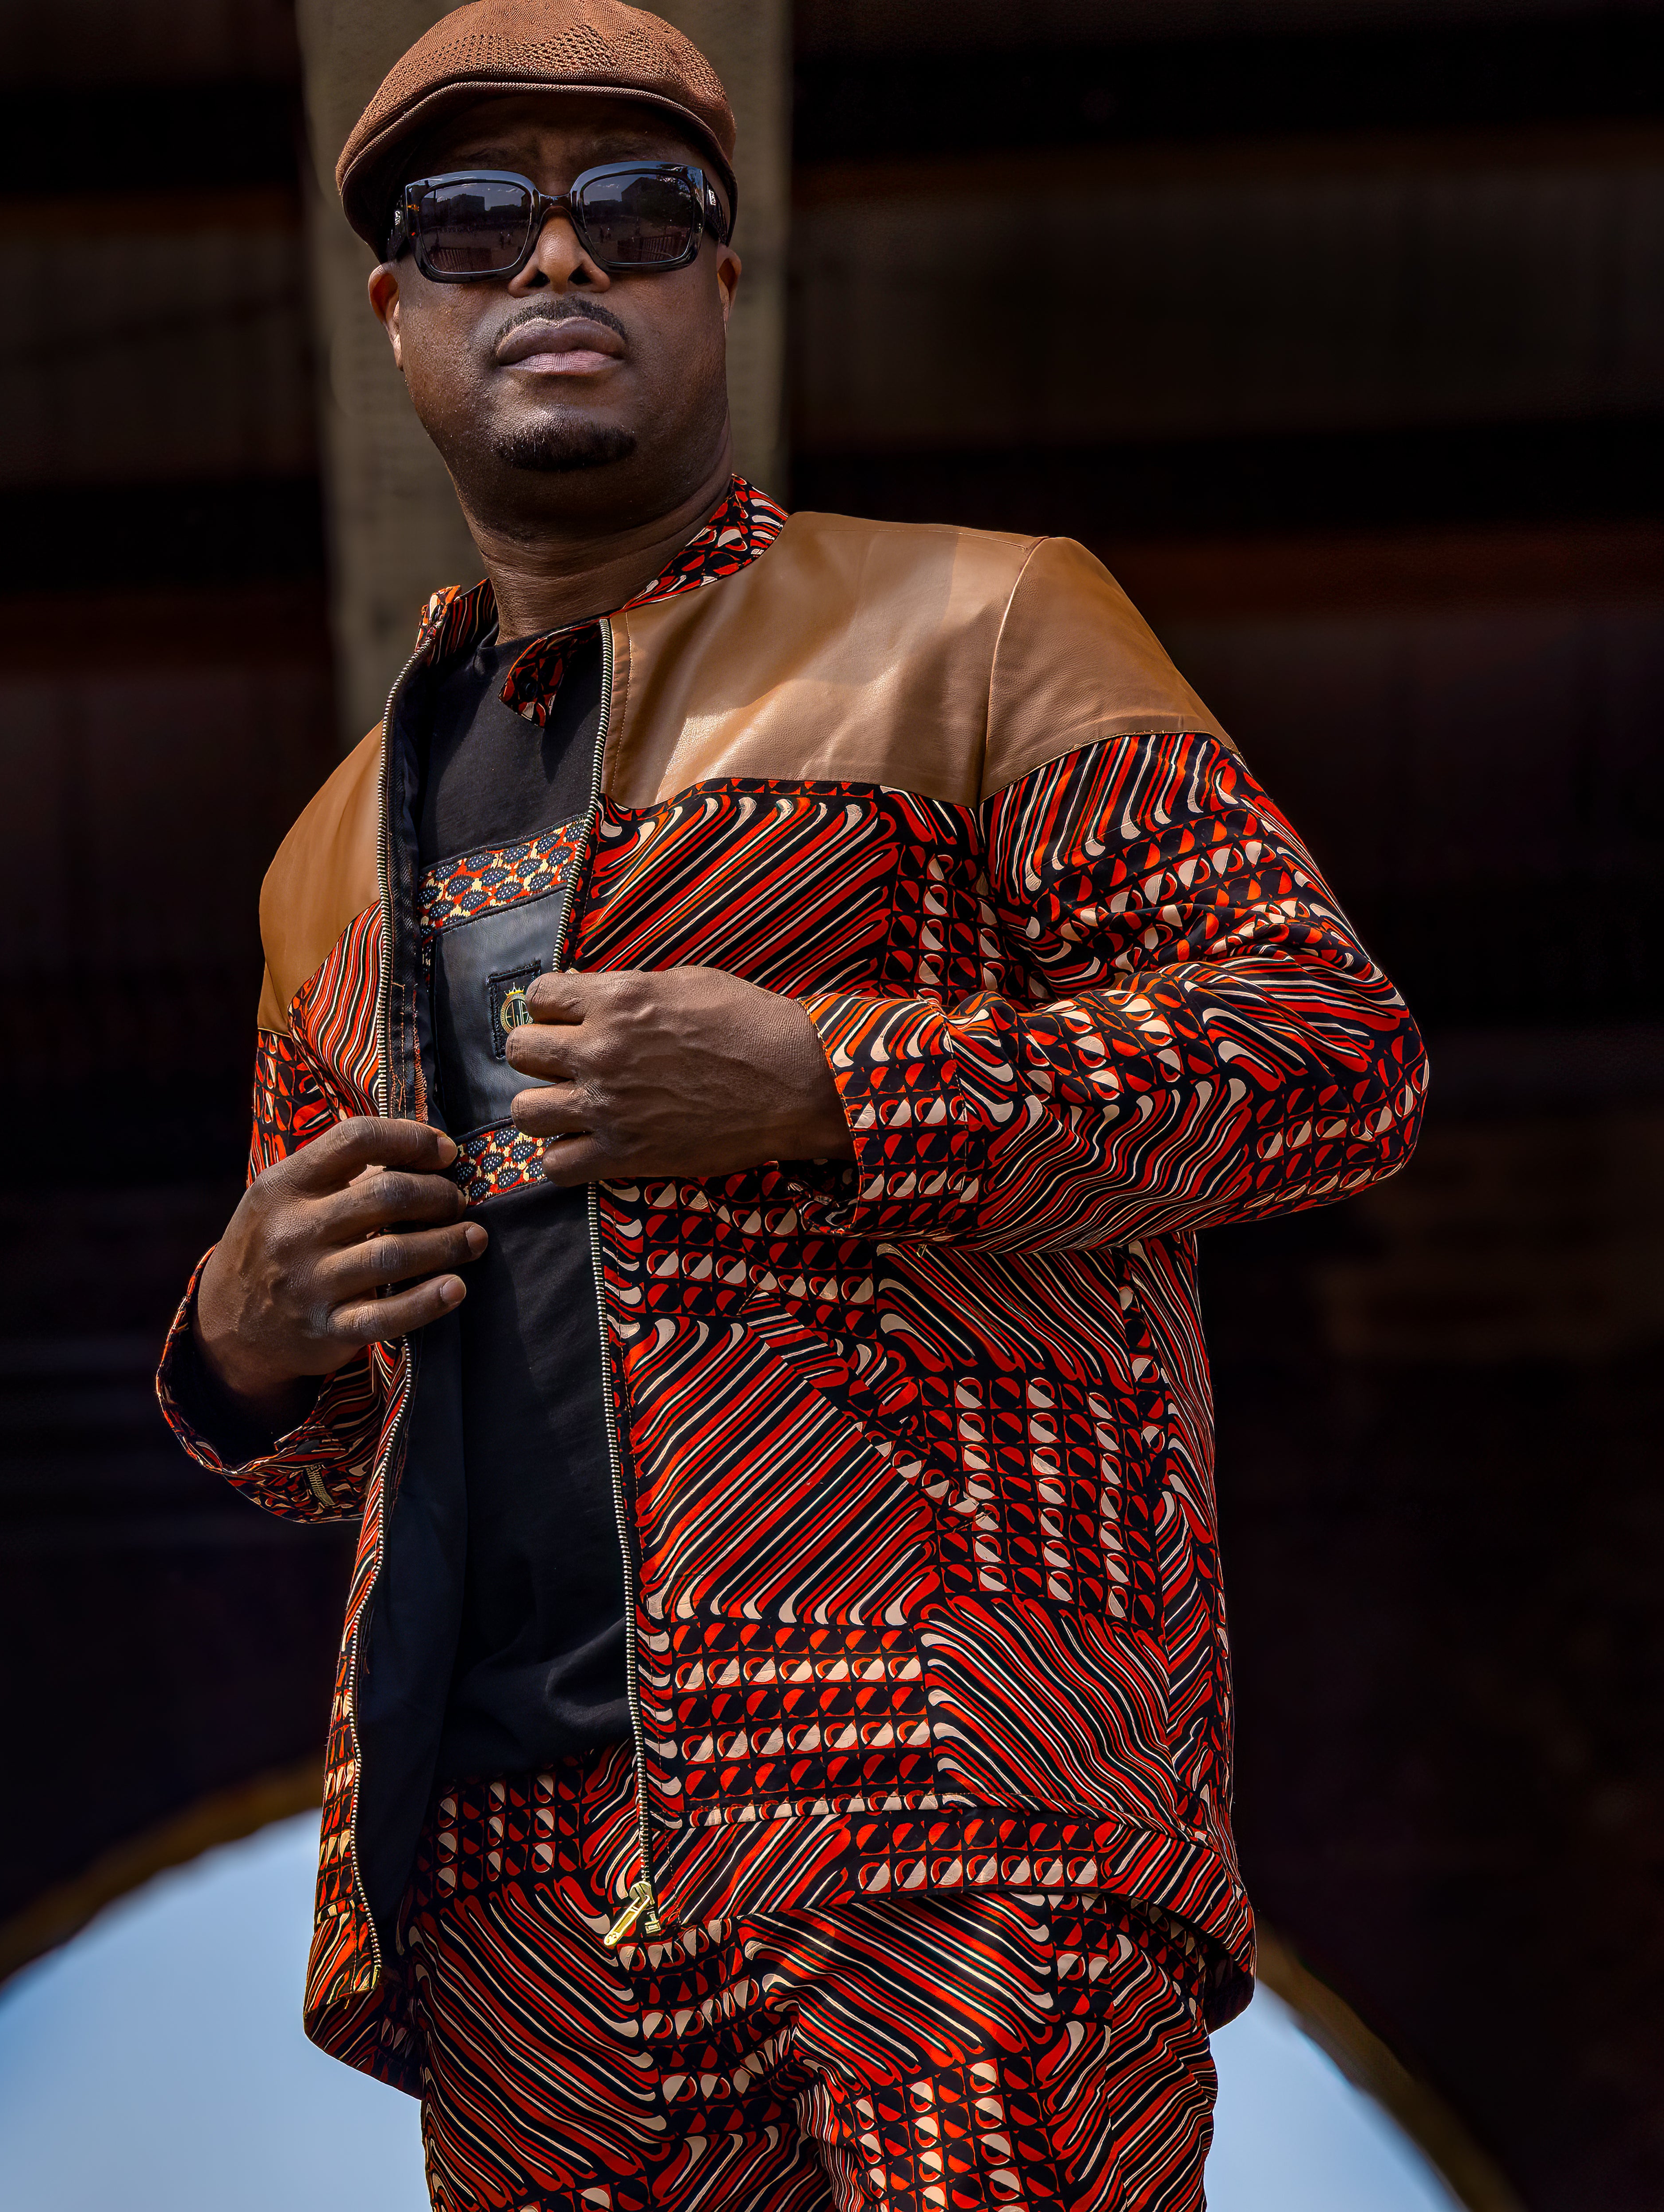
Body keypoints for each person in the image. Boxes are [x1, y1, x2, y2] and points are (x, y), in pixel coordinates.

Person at [157, 4, 1427, 2204]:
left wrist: (825, 1079)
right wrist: (244, 1341)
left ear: (718, 281)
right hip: (518, 1891)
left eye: (634, 213)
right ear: (394, 311)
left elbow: (1323, 1055)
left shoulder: (985, 622)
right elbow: (382, 1436)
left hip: (956, 1817)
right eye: (475, 222)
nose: (556, 263)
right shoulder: (324, 854)